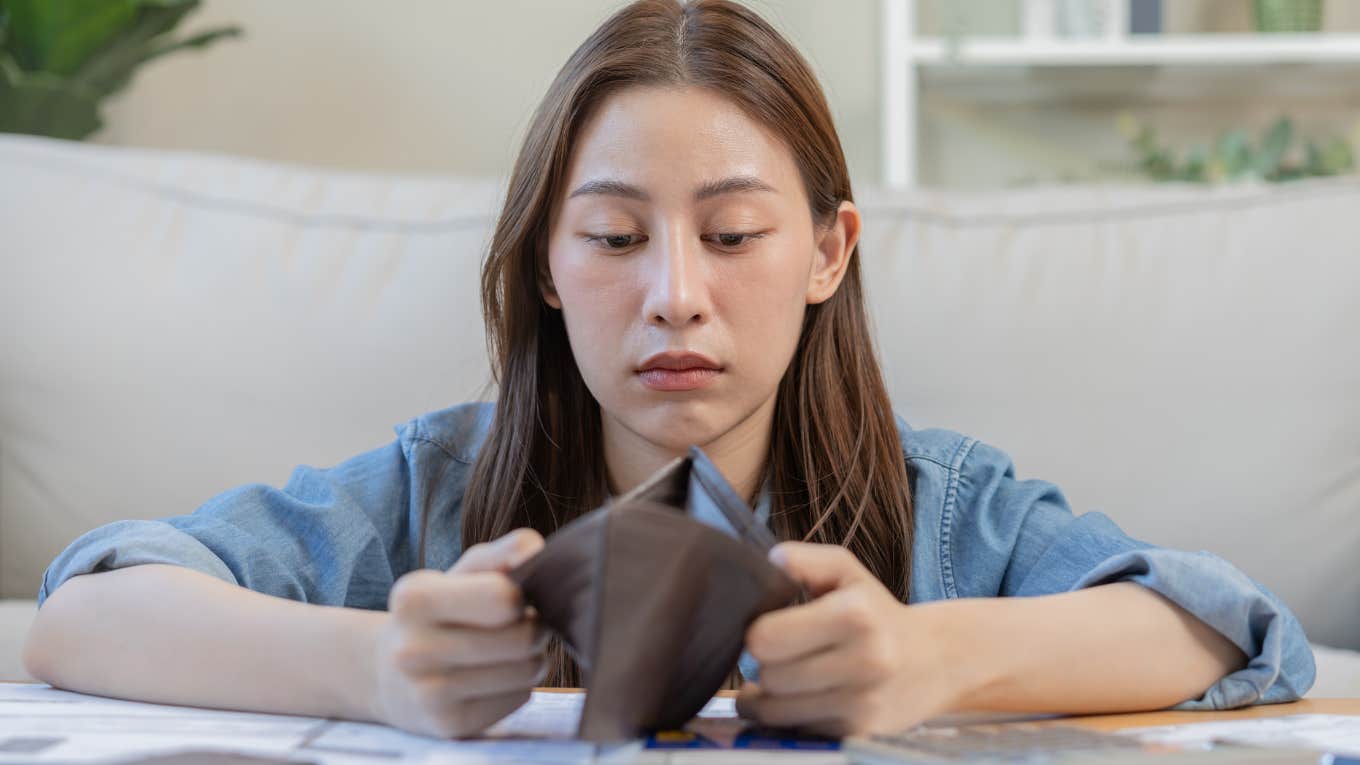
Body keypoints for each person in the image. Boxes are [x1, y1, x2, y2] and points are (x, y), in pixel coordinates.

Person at [24, 0, 1314, 742]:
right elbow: (90, 602)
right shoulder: (432, 491)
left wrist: (931, 659)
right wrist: (371, 668)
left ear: (827, 252)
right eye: (616, 239)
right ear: (543, 264)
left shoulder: (944, 507)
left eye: (737, 234)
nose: (677, 296)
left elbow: (1224, 622)